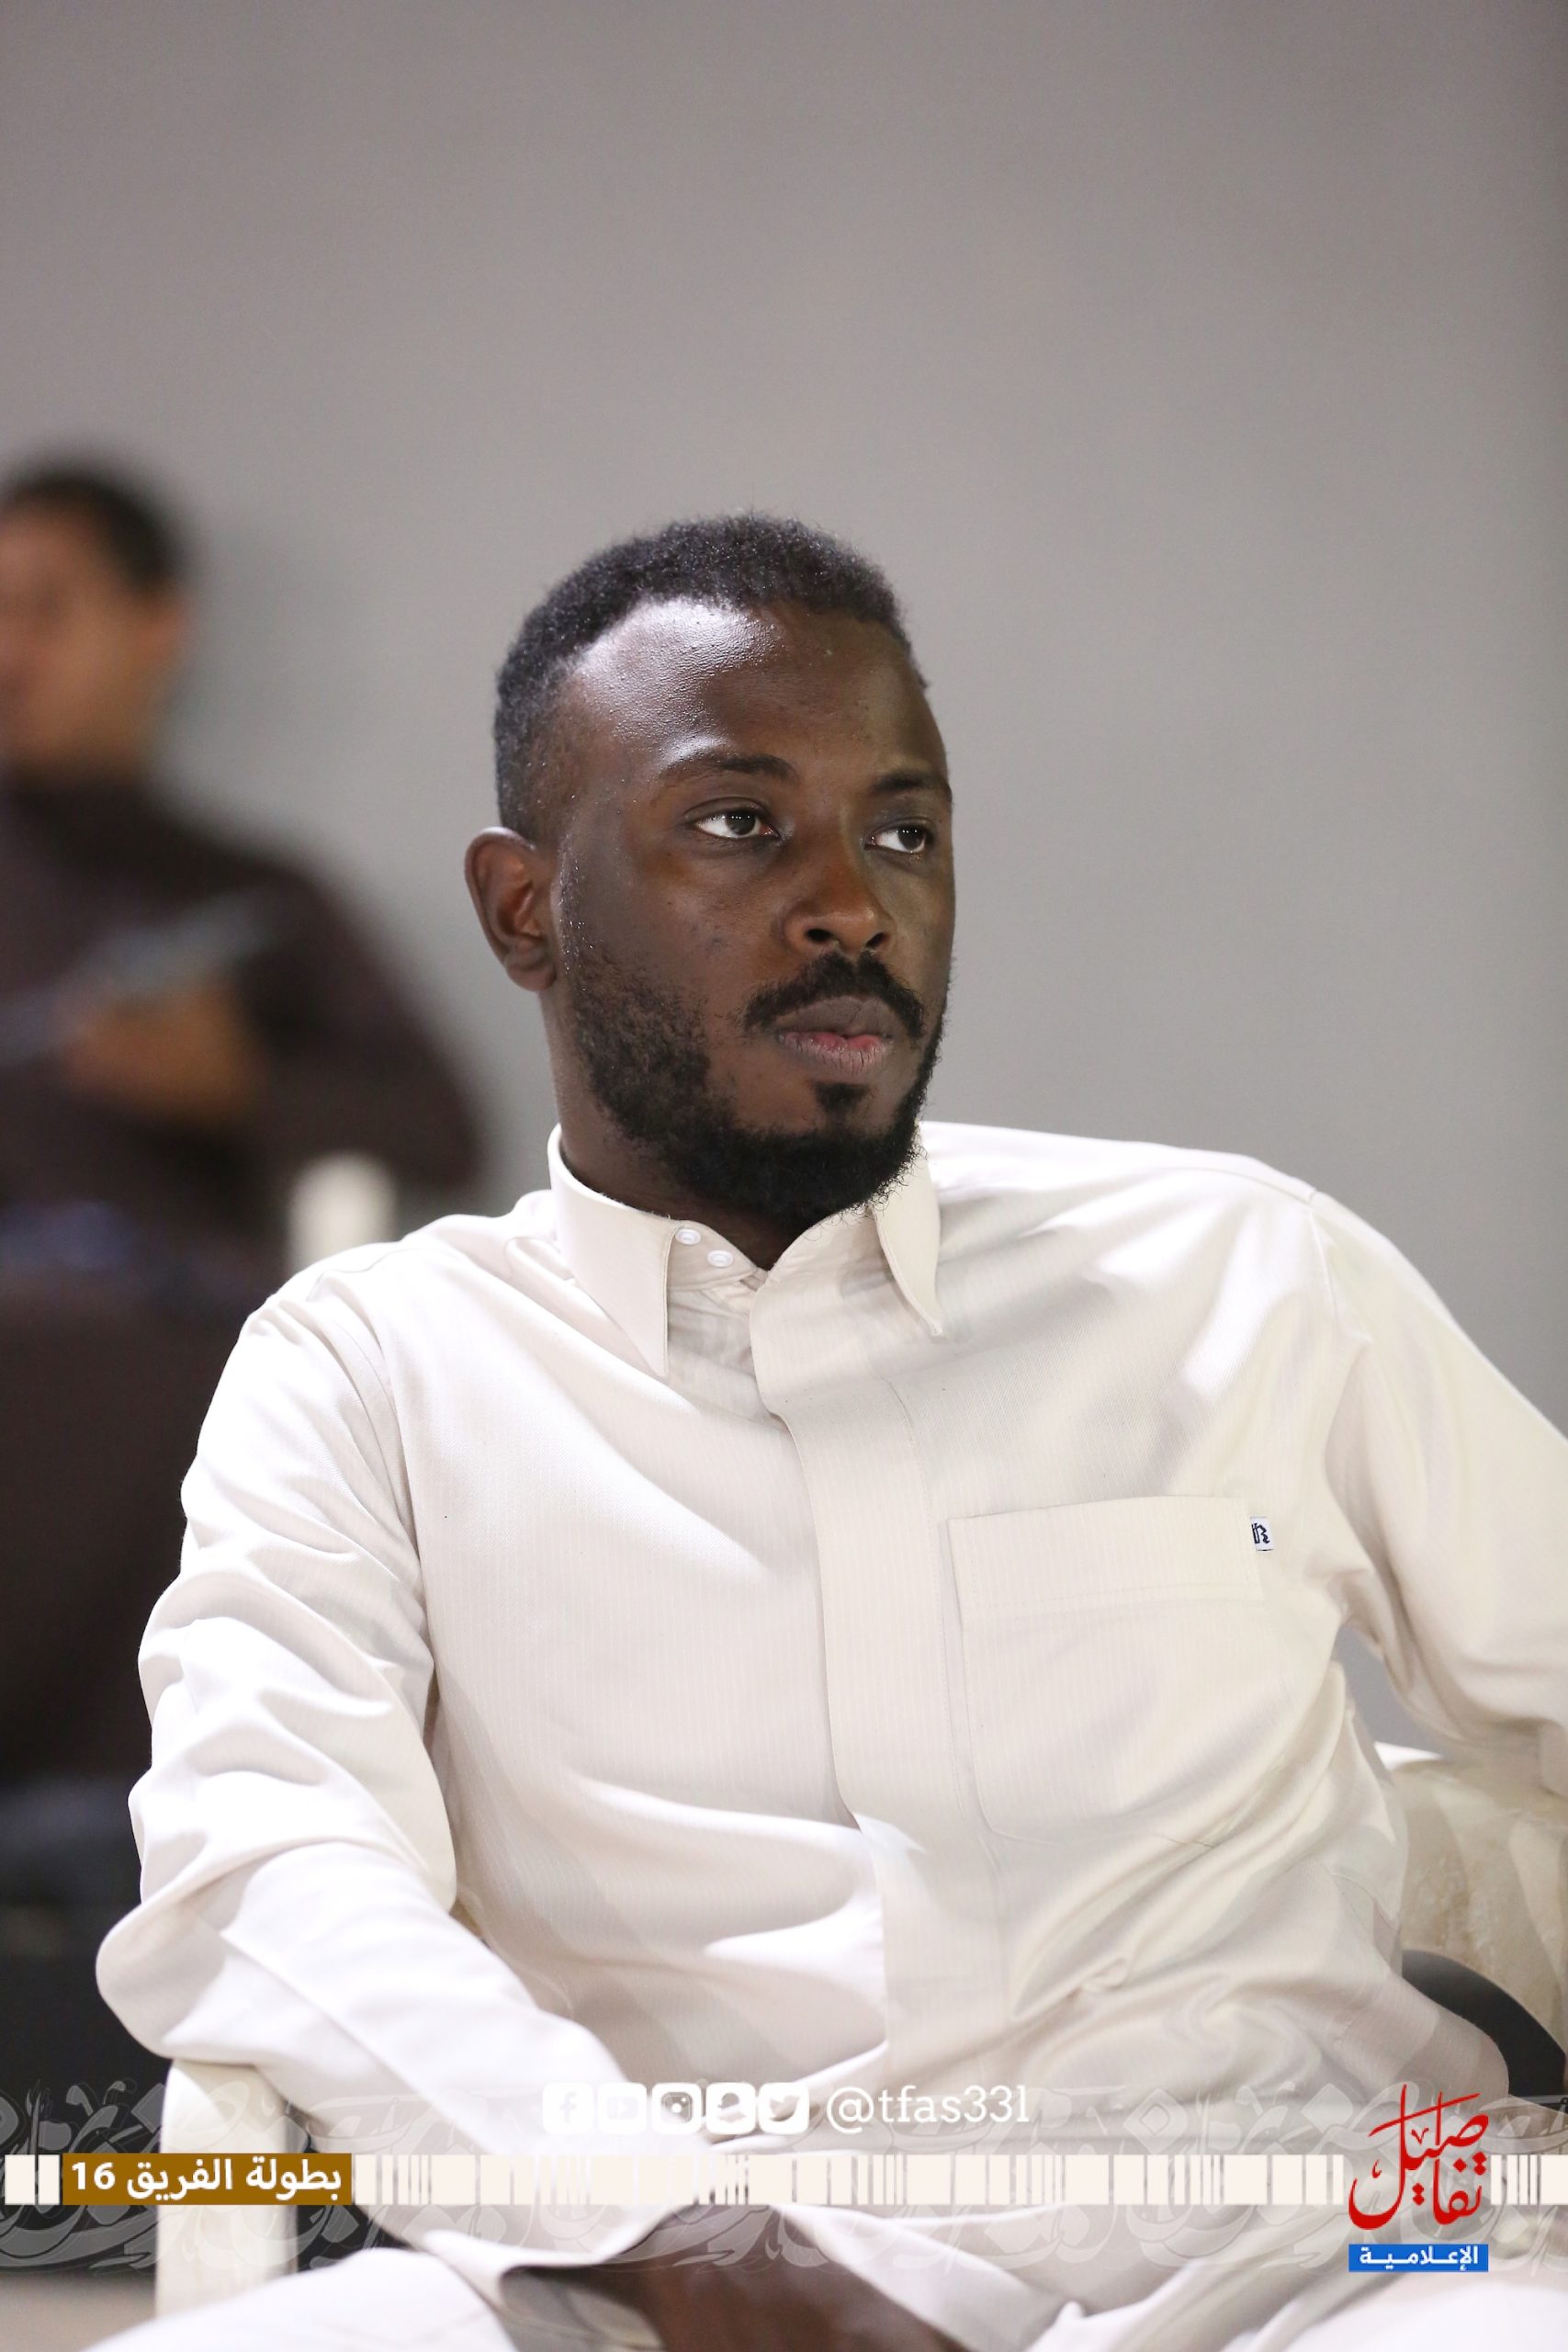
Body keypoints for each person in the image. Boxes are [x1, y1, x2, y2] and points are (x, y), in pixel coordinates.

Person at [96, 517, 1567, 2348]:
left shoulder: (1247, 1276)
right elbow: (265, 1867)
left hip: (1325, 2269)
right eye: (739, 822)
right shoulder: (373, 1370)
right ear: (523, 909)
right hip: (665, 2285)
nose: (853, 905)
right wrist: (668, 2230)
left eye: (903, 832)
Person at [0, 459, 480, 1806]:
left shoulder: (254, 901)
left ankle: (112, 1831)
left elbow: (440, 1127)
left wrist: (237, 1087)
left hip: (166, 1330)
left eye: (46, 609)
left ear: (161, 627)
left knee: (219, 1409)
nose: (9, 652)